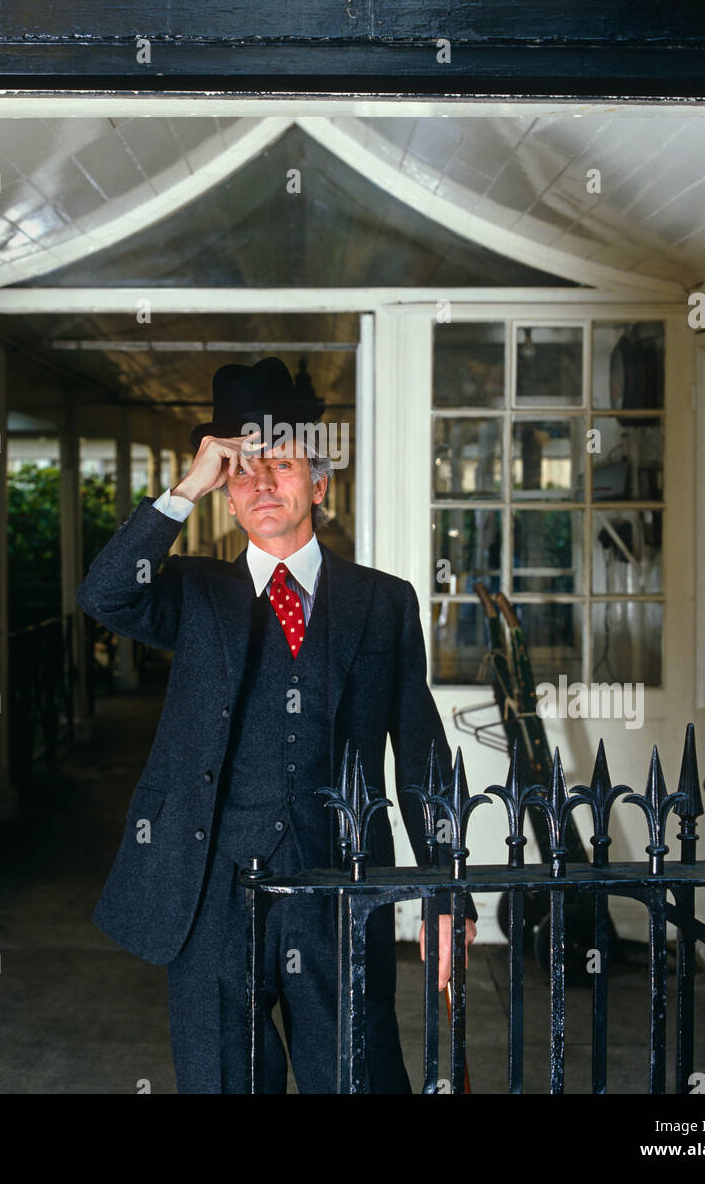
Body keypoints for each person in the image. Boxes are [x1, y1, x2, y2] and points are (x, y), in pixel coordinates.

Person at [77, 357, 475, 1093]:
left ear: (318, 485)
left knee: (357, 1077)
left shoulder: (382, 603)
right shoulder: (195, 593)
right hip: (210, 891)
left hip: (341, 887)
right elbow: (103, 595)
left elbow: (419, 751)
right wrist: (185, 486)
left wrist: (447, 890)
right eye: (242, 471)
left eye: (281, 465)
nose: (261, 483)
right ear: (225, 497)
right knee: (224, 1080)